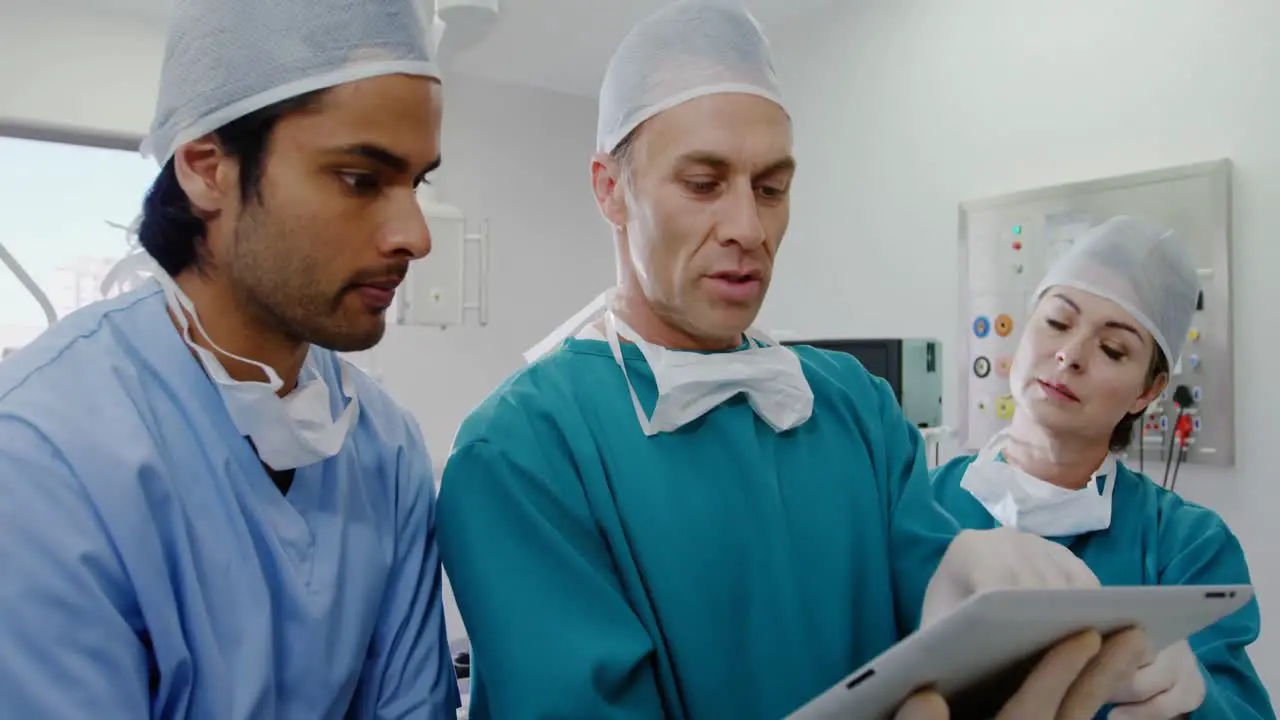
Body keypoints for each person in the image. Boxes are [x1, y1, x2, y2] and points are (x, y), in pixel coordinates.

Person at [435, 2, 1148, 718]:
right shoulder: (526, 449)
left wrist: (1037, 630)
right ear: (609, 190)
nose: (748, 228)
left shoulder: (853, 407)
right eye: (703, 184)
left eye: (771, 188)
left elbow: (932, 596)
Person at [0, 0, 459, 716]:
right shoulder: (40, 455)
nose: (415, 235)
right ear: (207, 169)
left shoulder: (385, 448)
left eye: (417, 183)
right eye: (360, 179)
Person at [931, 216, 1275, 718]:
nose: (1070, 355)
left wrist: (1195, 700)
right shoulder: (915, 504)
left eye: (1113, 349)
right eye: (1056, 322)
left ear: (1148, 392)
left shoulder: (1184, 544)